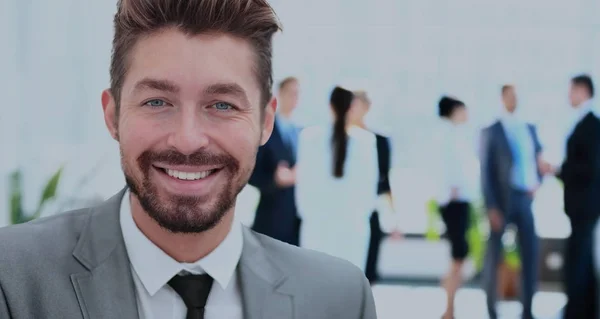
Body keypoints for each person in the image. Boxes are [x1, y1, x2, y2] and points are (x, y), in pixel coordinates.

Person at [0, 1, 377, 318]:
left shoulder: (340, 299)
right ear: (113, 116)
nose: (187, 140)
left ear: (265, 122)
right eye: (157, 102)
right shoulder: (13, 279)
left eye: (222, 105)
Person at [295, 87, 379, 272]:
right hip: (353, 226)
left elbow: (303, 186)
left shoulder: (309, 137)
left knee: (314, 283)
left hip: (317, 225)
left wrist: (308, 216)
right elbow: (369, 190)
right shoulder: (366, 141)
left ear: (330, 105)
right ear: (353, 107)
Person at [480, 85, 544, 319]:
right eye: (509, 96)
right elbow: (485, 172)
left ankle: (527, 310)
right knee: (493, 257)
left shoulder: (529, 127)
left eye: (516, 96)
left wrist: (538, 182)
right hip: (501, 201)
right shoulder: (492, 130)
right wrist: (491, 207)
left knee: (531, 254)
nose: (513, 100)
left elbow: (538, 161)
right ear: (502, 98)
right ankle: (491, 310)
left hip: (525, 198)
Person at [555, 75, 600, 319]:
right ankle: (586, 310)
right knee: (582, 258)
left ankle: (577, 312)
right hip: (580, 205)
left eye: (571, 90)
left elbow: (591, 167)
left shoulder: (592, 124)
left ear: (583, 91)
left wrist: (561, 169)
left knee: (579, 259)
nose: (568, 96)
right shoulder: (582, 122)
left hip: (586, 205)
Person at [348, 90, 397, 283]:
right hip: (343, 210)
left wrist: (394, 216)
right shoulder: (335, 139)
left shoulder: (379, 140)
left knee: (368, 268)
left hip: (370, 209)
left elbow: (385, 180)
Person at [435, 96, 478, 319]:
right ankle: (449, 308)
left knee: (458, 258)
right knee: (457, 258)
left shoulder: (456, 135)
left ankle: (449, 306)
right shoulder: (447, 136)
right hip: (455, 204)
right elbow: (446, 173)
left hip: (459, 202)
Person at [249, 77, 302, 245]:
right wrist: (275, 180)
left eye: (297, 94)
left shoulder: (302, 132)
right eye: (291, 93)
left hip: (297, 221)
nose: (294, 98)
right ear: (280, 95)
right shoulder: (265, 131)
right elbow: (251, 173)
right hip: (271, 219)